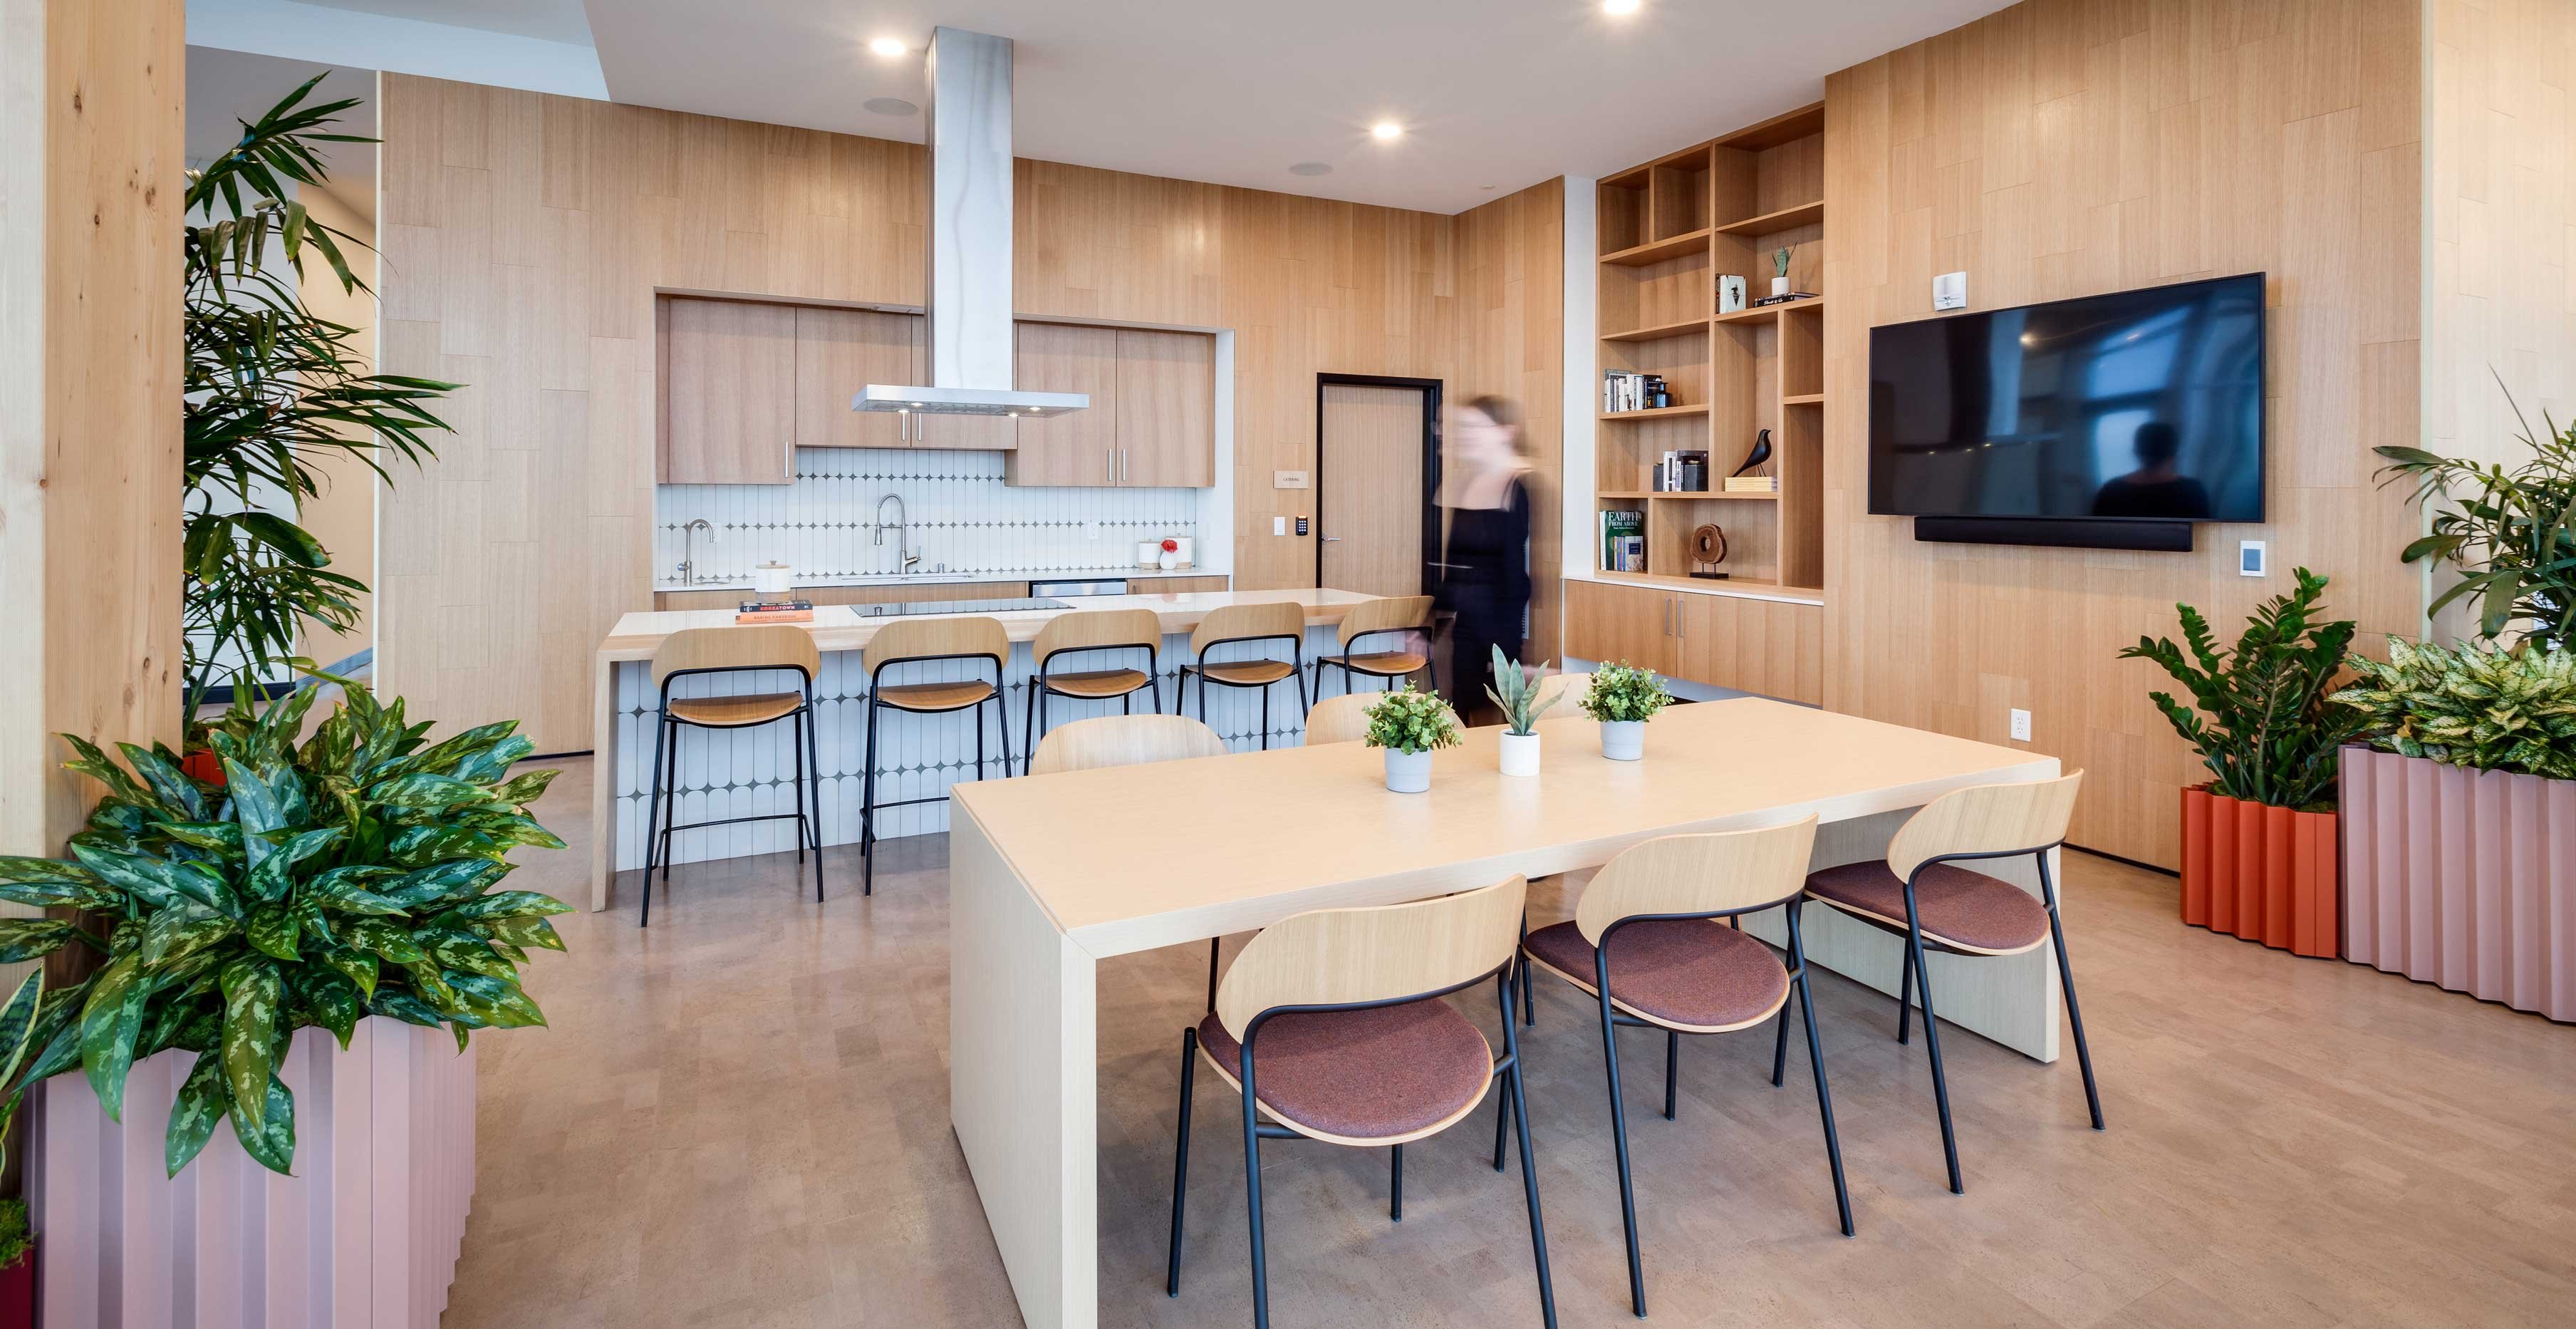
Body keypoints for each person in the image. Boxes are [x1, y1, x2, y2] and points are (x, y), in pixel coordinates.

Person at [1436, 396, 1534, 723]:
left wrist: (1503, 644)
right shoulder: (1466, 486)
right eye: (1464, 427)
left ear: (1505, 432)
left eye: (1476, 427)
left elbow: (1512, 575)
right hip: (1466, 625)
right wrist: (1428, 629)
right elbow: (1453, 567)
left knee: (1507, 718)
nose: (1467, 434)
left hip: (1500, 623)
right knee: (1461, 710)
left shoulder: (1516, 487)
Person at [2091, 420, 2212, 518]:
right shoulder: (2193, 490)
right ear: (2175, 453)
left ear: (2136, 452)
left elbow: (2095, 536)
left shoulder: (2111, 490)